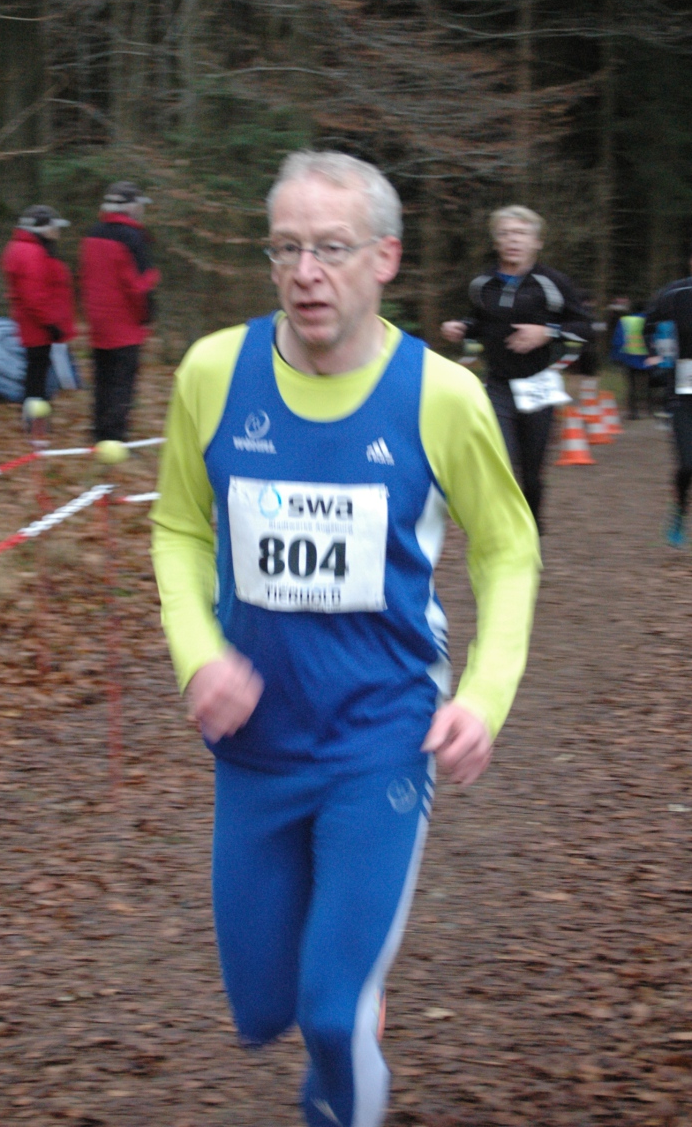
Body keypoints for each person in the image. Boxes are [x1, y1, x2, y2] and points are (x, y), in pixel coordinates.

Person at [151, 151, 540, 1127]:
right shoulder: (213, 373)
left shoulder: (440, 396)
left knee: (331, 1013)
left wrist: (482, 697)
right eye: (284, 248)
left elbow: (507, 553)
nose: (304, 273)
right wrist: (198, 652)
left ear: (384, 258)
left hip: (380, 736)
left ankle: (346, 1065)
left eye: (329, 248)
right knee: (262, 1007)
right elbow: (179, 528)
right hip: (253, 744)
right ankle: (344, 1004)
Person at [441, 207, 592, 532]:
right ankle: (505, 534)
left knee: (531, 474)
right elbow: (480, 322)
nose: (513, 240)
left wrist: (547, 332)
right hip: (498, 385)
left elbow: (584, 327)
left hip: (538, 385)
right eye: (505, 233)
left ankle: (532, 526)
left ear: (537, 242)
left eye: (521, 234)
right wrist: (462, 327)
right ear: (497, 241)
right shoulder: (482, 284)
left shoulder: (553, 282)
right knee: (501, 464)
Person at [79, 180, 161, 444]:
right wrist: (147, 316)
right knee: (122, 382)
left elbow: (86, 278)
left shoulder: (92, 233)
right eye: (139, 205)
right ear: (131, 207)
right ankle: (114, 437)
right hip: (125, 323)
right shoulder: (133, 238)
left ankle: (98, 432)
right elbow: (139, 286)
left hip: (98, 321)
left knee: (102, 379)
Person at [0, 205, 76, 429]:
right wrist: (51, 323)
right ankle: (35, 421)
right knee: (37, 374)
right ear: (42, 229)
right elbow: (34, 296)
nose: (58, 232)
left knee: (37, 371)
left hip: (35, 321)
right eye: (54, 227)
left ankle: (35, 418)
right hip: (38, 324)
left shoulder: (27, 248)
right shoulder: (31, 252)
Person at [643, 242, 692, 547]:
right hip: (683, 388)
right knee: (687, 464)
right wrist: (658, 357)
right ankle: (679, 510)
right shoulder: (674, 294)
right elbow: (649, 327)